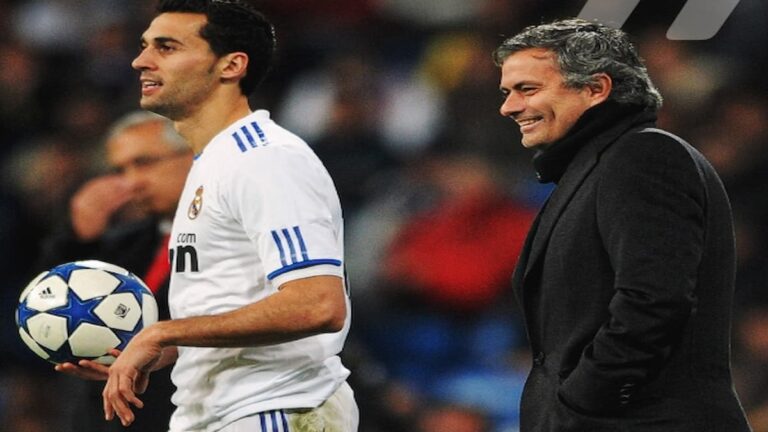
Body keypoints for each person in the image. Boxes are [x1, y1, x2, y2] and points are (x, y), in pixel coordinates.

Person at [58, 1, 358, 431]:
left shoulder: (264, 158)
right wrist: (157, 354)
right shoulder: (212, 163)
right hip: (221, 412)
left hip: (275, 407)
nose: (140, 60)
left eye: (167, 47)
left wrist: (163, 332)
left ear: (231, 65)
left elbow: (318, 304)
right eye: (144, 46)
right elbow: (233, 301)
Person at [493, 18, 750, 431]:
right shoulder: (595, 167)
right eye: (508, 92)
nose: (508, 107)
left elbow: (653, 302)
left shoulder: (644, 156)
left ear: (596, 89)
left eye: (528, 89)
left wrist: (580, 402)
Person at [44, 110, 192, 431]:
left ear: (193, 153)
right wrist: (78, 239)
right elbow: (46, 310)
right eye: (120, 170)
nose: (131, 181)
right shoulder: (121, 244)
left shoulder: (233, 235)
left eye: (144, 163)